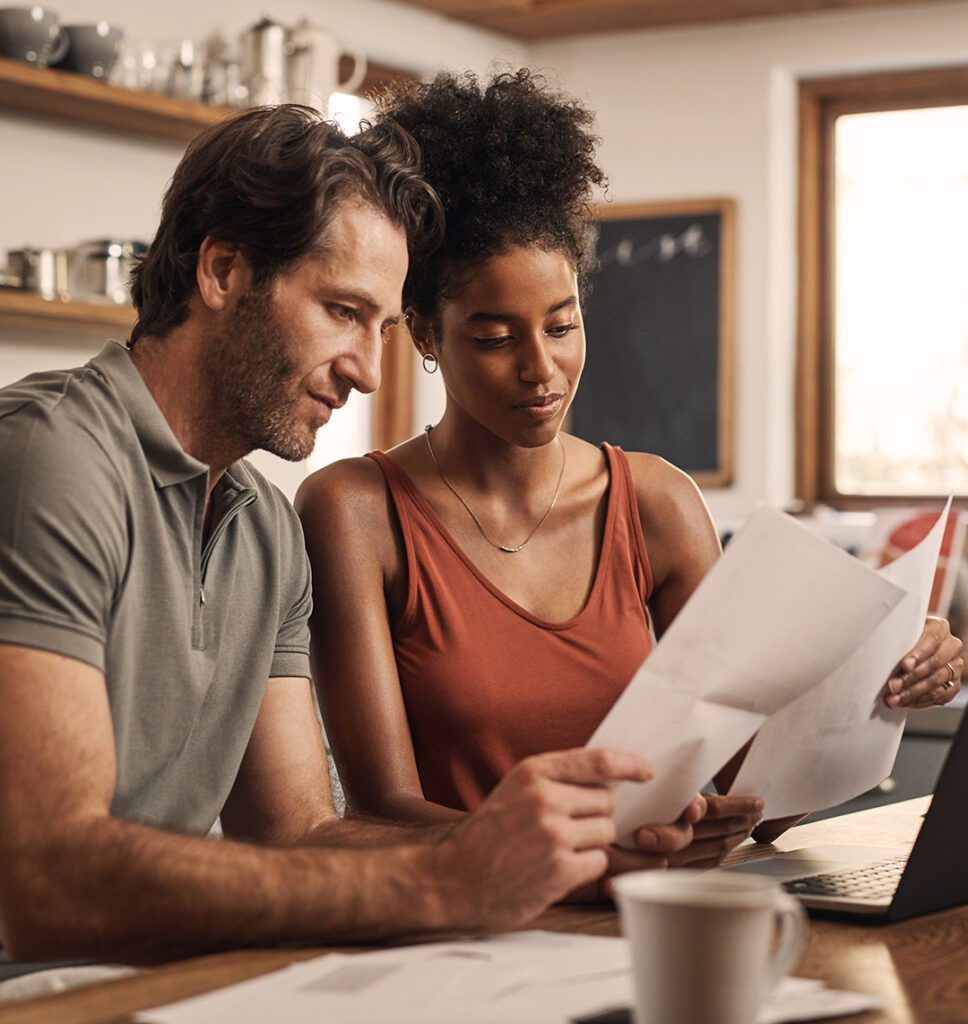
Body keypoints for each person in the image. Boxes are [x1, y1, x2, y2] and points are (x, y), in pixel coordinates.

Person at [0, 103, 667, 977]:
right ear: (223, 269)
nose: (366, 371)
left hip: (144, 978)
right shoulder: (50, 458)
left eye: (382, 328)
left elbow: (297, 834)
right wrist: (440, 885)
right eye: (342, 312)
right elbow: (48, 886)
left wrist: (549, 855)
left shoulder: (266, 531)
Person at [294, 70, 964, 883]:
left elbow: (754, 795)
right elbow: (380, 811)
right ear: (427, 336)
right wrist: (578, 861)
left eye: (562, 324)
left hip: (645, 922)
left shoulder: (655, 503)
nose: (542, 369)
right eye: (495, 337)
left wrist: (879, 687)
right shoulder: (354, 511)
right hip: (463, 935)